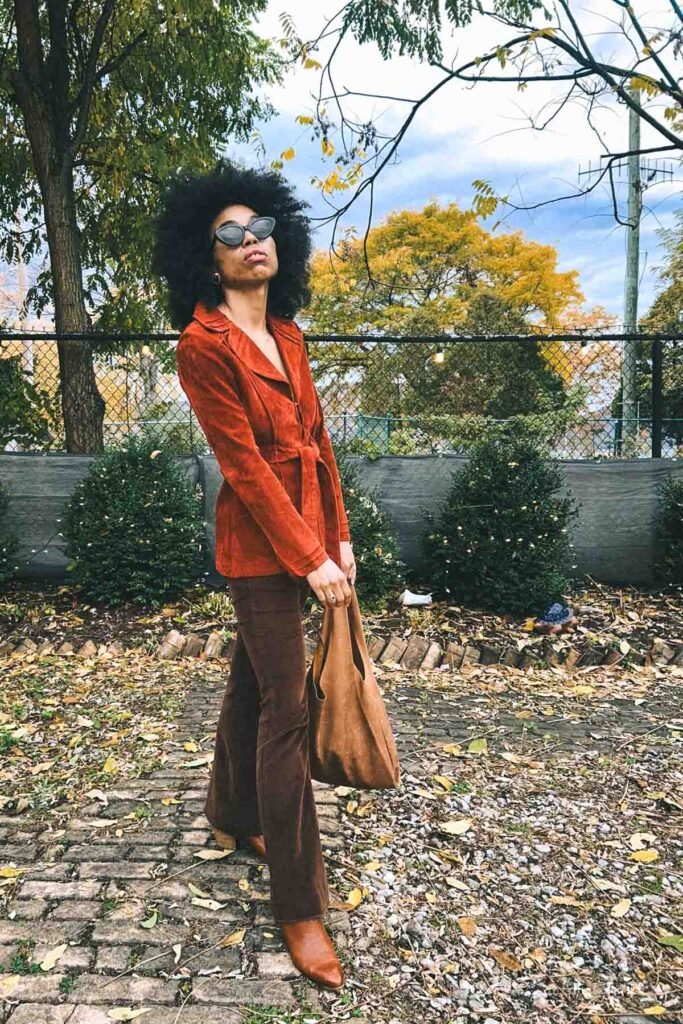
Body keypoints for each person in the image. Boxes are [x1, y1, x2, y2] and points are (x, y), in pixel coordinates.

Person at [152, 159, 356, 989]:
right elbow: (246, 467)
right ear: (208, 258)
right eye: (230, 234)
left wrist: (337, 538)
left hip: (310, 539)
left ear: (282, 238)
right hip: (259, 549)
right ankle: (298, 907)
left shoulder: (293, 336)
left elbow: (316, 446)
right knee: (287, 707)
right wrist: (306, 558)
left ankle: (229, 813)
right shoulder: (203, 347)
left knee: (250, 684)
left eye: (261, 228)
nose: (251, 241)